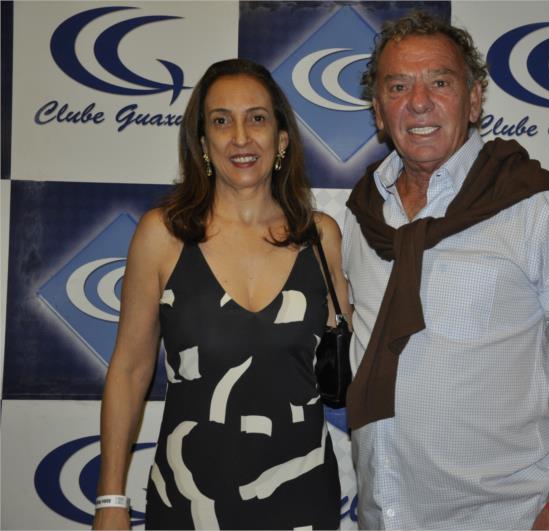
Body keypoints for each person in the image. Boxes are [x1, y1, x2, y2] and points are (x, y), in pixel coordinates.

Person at [342, 12, 549, 530]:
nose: (418, 102)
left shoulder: (535, 205)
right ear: (378, 112)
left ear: (473, 100)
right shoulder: (362, 214)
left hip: (509, 515)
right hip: (385, 515)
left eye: (440, 83)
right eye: (398, 87)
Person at [93, 58, 349, 530]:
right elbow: (129, 371)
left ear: (282, 139)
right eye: (221, 121)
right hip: (189, 499)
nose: (240, 137)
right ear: (202, 142)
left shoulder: (320, 237)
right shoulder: (163, 236)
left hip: (303, 497)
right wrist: (111, 500)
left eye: (257, 118)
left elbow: (353, 361)